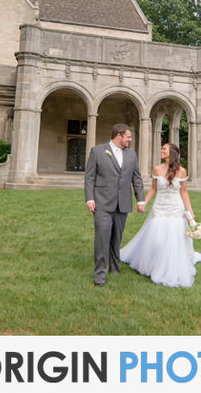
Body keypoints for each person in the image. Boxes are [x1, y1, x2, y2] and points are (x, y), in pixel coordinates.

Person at [120, 143, 201, 288]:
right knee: (157, 239)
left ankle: (170, 267)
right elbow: (153, 189)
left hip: (175, 209)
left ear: (172, 153)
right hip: (160, 208)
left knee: (173, 241)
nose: (161, 151)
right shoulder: (157, 169)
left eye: (164, 149)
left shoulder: (182, 171)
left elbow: (184, 192)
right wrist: (143, 202)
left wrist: (190, 213)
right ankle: (152, 265)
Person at [84, 123, 145, 287]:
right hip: (102, 203)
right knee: (102, 239)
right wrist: (90, 199)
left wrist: (140, 199)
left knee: (116, 239)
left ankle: (115, 268)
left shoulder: (132, 155)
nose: (130, 140)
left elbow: (136, 178)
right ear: (119, 135)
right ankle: (100, 275)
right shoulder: (97, 151)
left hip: (123, 203)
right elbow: (89, 178)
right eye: (128, 137)